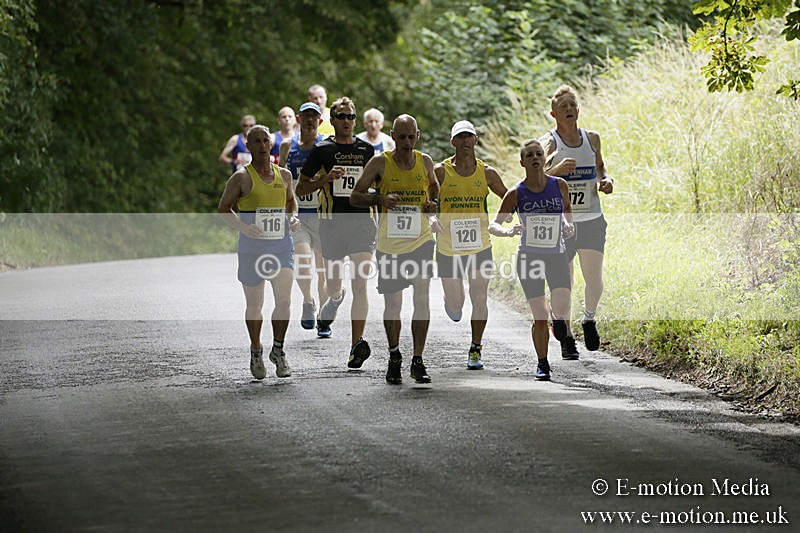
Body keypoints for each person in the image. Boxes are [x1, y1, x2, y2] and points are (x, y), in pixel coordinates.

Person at [351, 114, 440, 384]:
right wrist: (379, 198)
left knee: (422, 297)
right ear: (393, 135)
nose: (406, 142)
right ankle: (394, 355)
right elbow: (356, 196)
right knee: (393, 303)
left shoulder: (425, 161)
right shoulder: (380, 163)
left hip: (421, 241)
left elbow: (434, 188)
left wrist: (432, 204)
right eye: (401, 137)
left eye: (411, 136)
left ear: (418, 135)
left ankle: (418, 359)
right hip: (390, 245)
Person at [295, 96, 376, 368]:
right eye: (341, 117)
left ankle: (356, 344)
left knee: (361, 283)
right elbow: (300, 189)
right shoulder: (322, 150)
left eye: (351, 117)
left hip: (361, 224)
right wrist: (325, 180)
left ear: (355, 120)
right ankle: (336, 298)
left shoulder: (367, 150)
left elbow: (377, 184)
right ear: (332, 121)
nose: (346, 121)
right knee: (332, 284)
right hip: (330, 224)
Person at [218, 124, 300, 380]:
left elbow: (291, 202)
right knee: (255, 304)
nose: (263, 146)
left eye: (266, 141)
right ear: (249, 145)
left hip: (280, 245)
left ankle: (278, 349)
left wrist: (294, 218)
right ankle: (256, 349)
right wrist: (244, 226)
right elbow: (224, 209)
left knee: (284, 300)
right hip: (252, 248)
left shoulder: (284, 175)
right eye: (257, 142)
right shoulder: (242, 177)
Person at [489, 139, 576, 381]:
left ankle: (559, 321)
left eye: (539, 154)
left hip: (557, 255)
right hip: (529, 258)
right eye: (530, 155)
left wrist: (568, 224)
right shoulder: (516, 193)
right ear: (523, 162)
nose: (535, 158)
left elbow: (567, 210)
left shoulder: (559, 185)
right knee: (539, 316)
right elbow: (494, 225)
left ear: (544, 159)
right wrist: (509, 231)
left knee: (560, 305)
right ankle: (543, 363)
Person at [540, 85, 613, 352]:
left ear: (578, 110)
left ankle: (589, 319)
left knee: (594, 277)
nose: (569, 110)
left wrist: (606, 180)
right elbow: (537, 177)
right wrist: (557, 169)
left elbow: (600, 168)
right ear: (553, 114)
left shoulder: (592, 138)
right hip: (561, 221)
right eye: (563, 107)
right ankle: (566, 336)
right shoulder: (548, 143)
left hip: (592, 217)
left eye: (573, 105)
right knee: (565, 281)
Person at [434, 120, 508, 370]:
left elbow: (509, 197)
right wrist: (431, 219)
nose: (465, 141)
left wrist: (504, 219)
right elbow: (425, 200)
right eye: (461, 137)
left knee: (480, 296)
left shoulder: (486, 173)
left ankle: (476, 348)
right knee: (457, 306)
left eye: (470, 137)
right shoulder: (441, 172)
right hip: (448, 247)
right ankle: (450, 300)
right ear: (453, 141)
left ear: (475, 140)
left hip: (480, 245)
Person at [278, 102, 328, 335]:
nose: (310, 120)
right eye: (306, 116)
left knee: (323, 269)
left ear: (320, 120)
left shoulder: (327, 147)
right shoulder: (288, 146)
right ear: (298, 119)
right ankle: (308, 302)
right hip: (298, 214)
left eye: (314, 117)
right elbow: (282, 180)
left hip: (322, 215)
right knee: (303, 259)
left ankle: (323, 320)